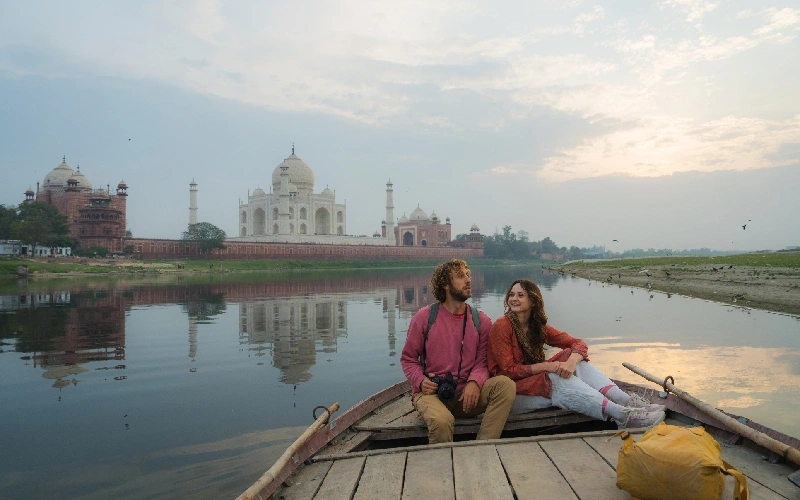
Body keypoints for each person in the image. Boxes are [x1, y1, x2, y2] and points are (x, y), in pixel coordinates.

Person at [487, 278, 665, 429]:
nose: (514, 299)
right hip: (511, 394)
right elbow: (509, 371)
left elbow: (578, 343)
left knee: (573, 359)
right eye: (512, 294)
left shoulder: (537, 327)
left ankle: (625, 401)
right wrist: (548, 366)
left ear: (533, 301)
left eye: (520, 295)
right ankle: (623, 416)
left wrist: (571, 362)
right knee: (555, 377)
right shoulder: (502, 326)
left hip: (535, 384)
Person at [401, 259, 516, 443]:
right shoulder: (424, 318)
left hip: (467, 396)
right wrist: (420, 381)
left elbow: (483, 361)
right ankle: (444, 465)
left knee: (505, 386)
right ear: (445, 284)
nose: (468, 280)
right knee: (442, 421)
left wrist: (475, 382)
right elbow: (408, 359)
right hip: (432, 393)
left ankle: (483, 447)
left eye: (468, 275)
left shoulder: (481, 320)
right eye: (461, 276)